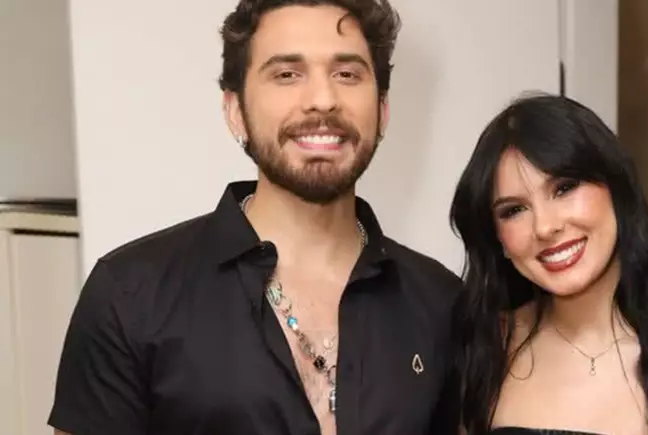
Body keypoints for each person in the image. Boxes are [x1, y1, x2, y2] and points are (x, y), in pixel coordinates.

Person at [48, 1, 462, 434]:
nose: (323, 100)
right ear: (236, 112)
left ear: (383, 109)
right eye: (287, 74)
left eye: (346, 74)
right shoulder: (130, 294)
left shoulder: (442, 303)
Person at [449, 94, 648, 435]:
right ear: (497, 238)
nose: (545, 227)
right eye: (514, 210)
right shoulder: (487, 346)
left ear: (616, 188)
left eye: (564, 188)